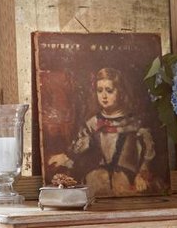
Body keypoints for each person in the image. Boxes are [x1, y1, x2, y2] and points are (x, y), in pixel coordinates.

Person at [47, 67, 158, 196]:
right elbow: (77, 154)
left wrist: (142, 174)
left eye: (109, 91)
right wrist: (66, 158)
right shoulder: (92, 124)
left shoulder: (135, 124)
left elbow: (147, 156)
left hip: (128, 182)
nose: (104, 96)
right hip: (97, 181)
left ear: (120, 92)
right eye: (100, 91)